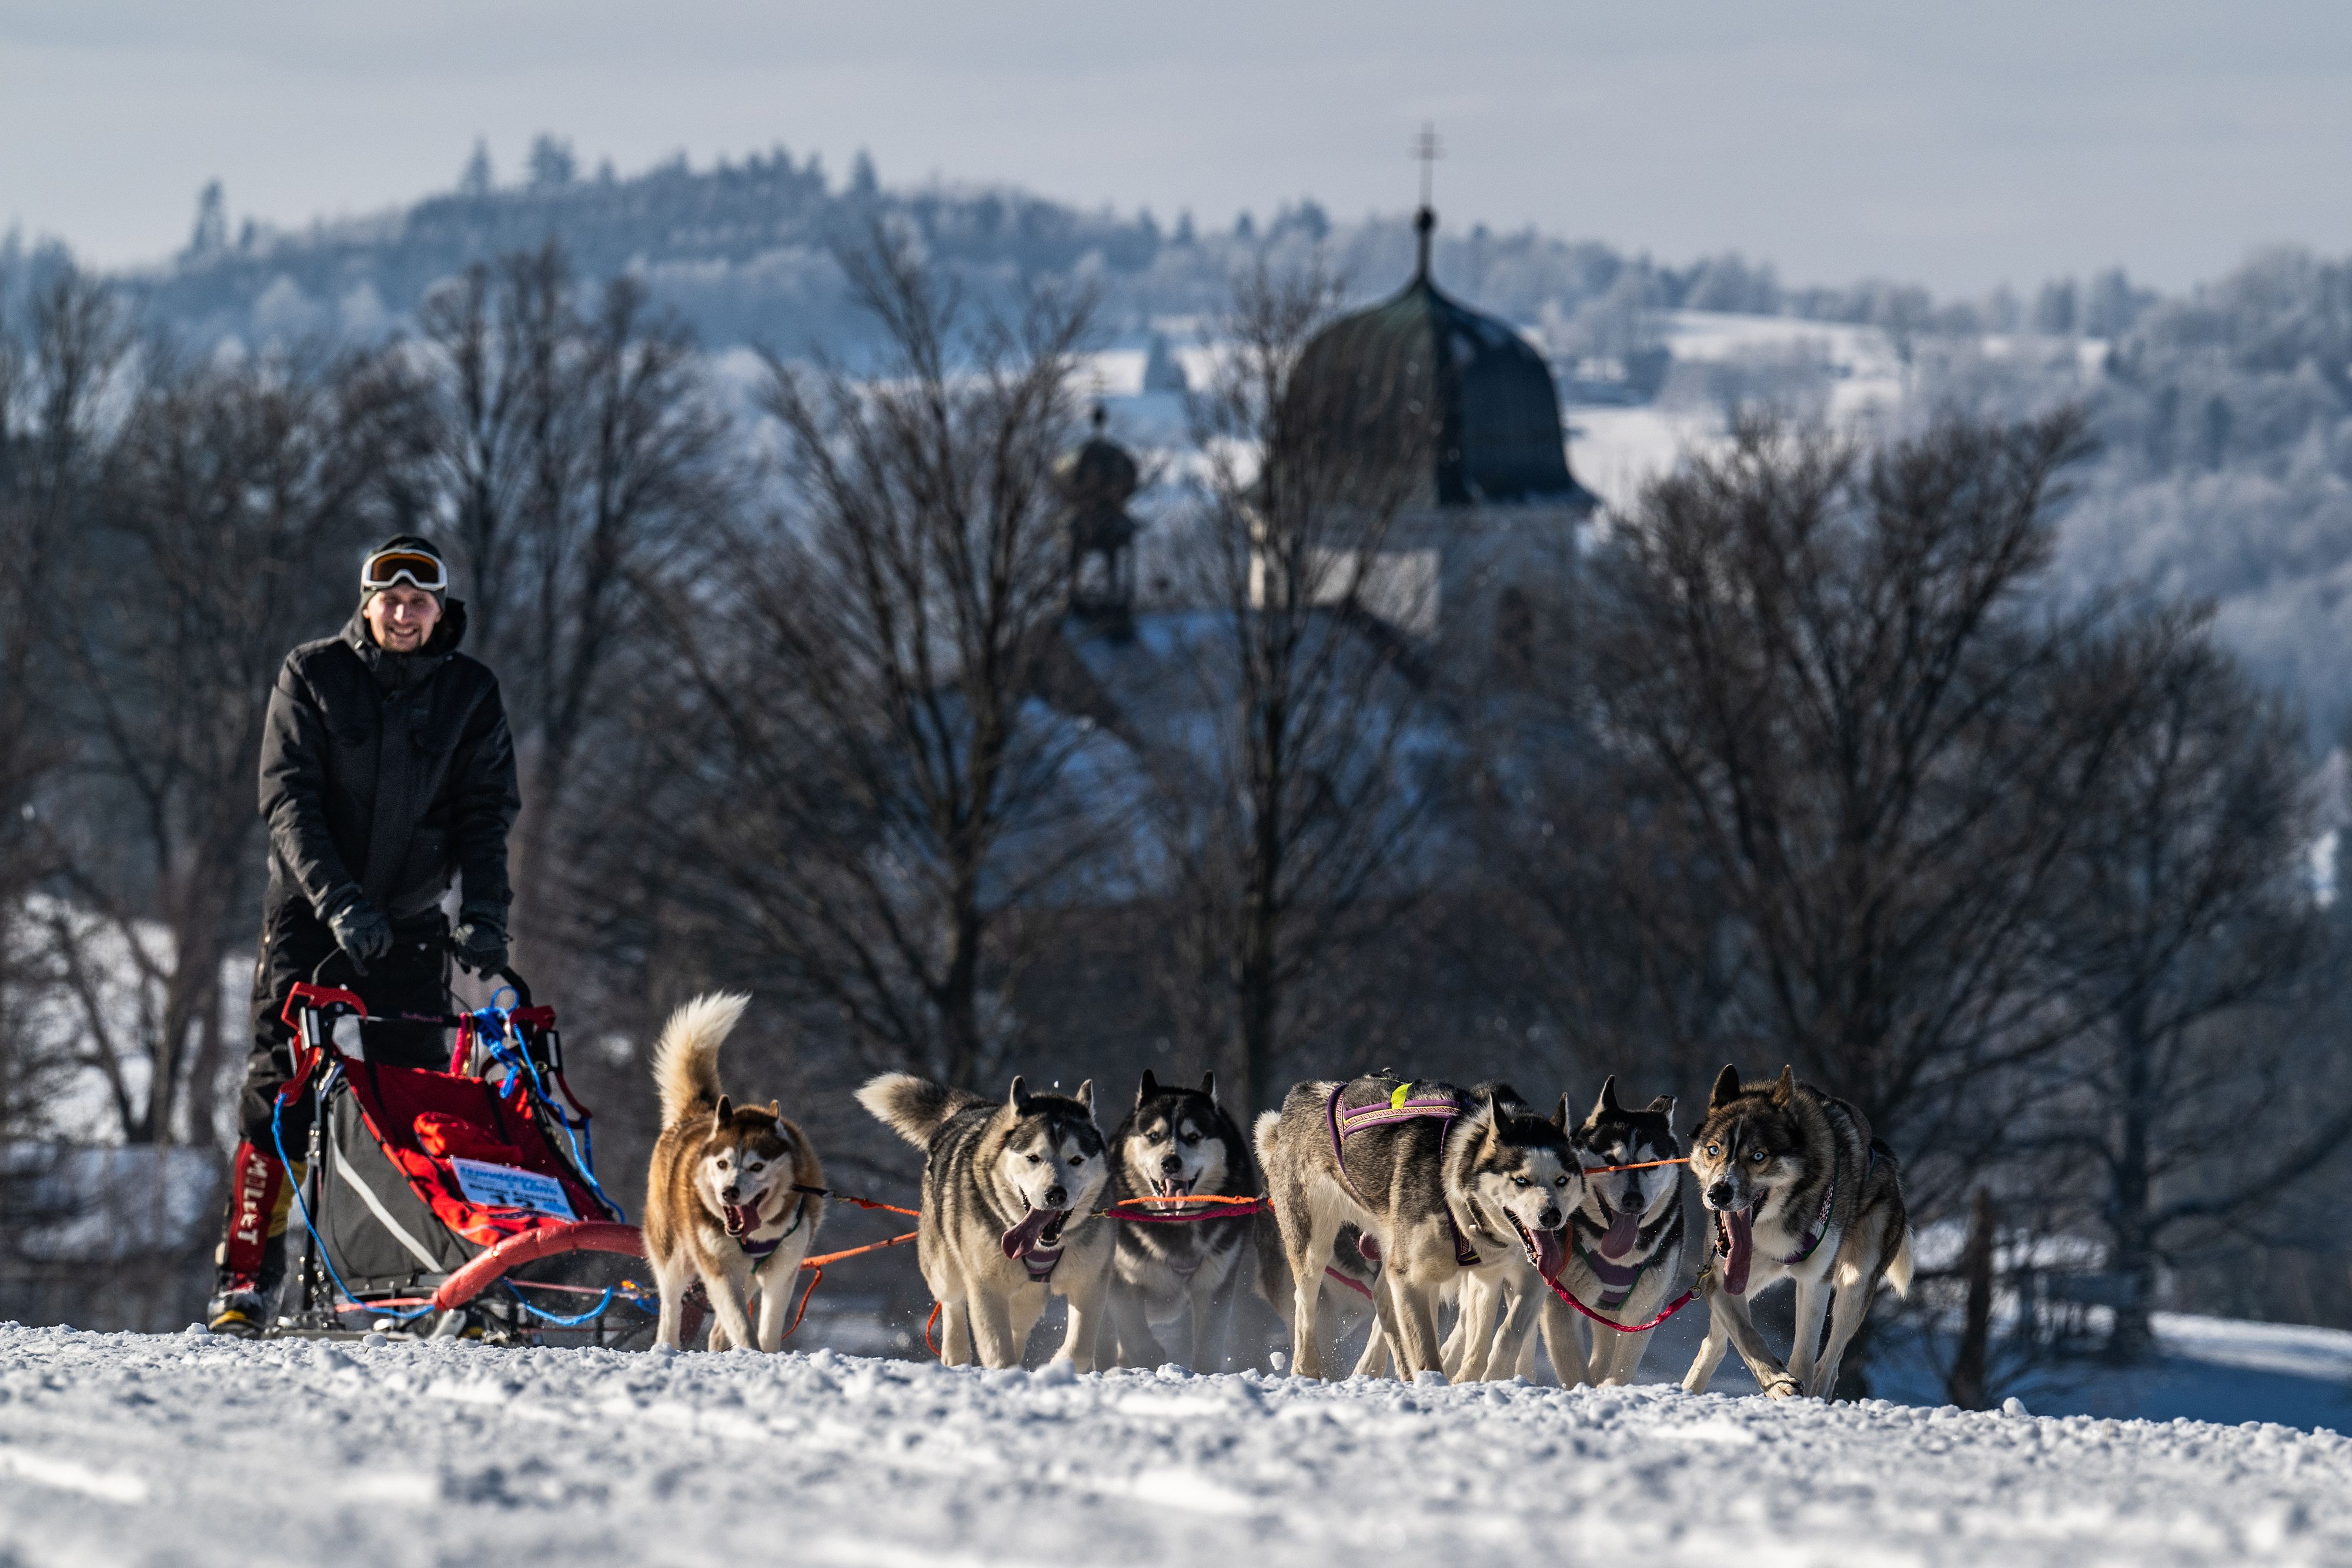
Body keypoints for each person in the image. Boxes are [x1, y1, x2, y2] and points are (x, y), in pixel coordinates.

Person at [206, 535, 520, 1335]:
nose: (404, 613)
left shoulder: (471, 694)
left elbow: (487, 818)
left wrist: (487, 916)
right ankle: (246, 1279)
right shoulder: (312, 674)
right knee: (280, 1095)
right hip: (312, 923)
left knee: (413, 1106)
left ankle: (423, 1283)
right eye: (391, 599)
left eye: (420, 601)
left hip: (412, 929)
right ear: (367, 602)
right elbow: (289, 803)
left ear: (441, 609)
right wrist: (341, 903)